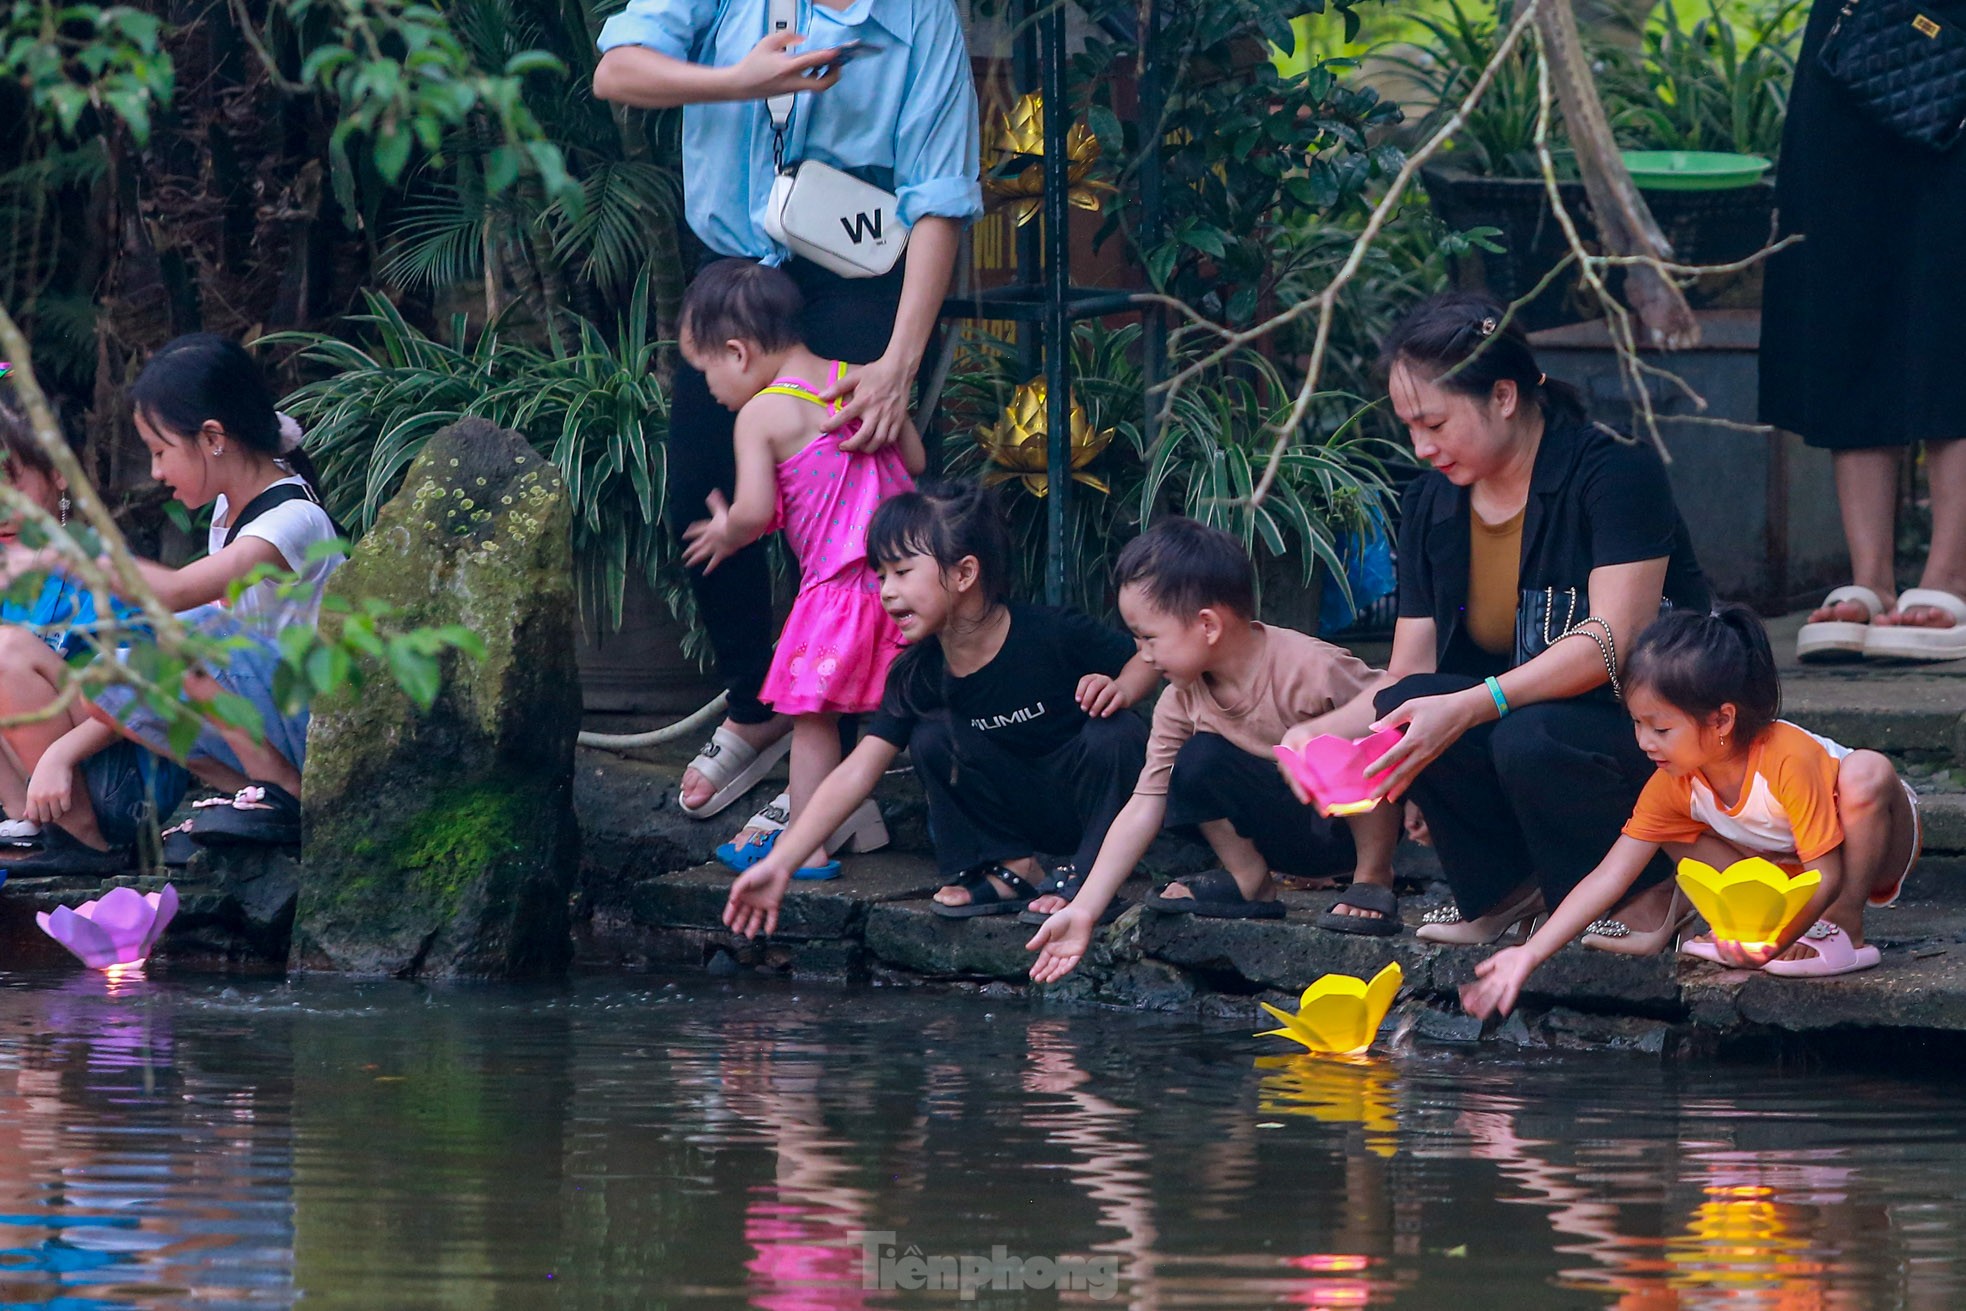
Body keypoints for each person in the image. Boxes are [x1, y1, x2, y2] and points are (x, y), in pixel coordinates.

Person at [593, 0, 982, 827]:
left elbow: (940, 195)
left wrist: (897, 367)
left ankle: (848, 749)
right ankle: (757, 702)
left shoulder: (921, 17)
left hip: (858, 272)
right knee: (701, 487)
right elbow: (616, 71)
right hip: (737, 267)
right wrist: (741, 80)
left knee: (873, 506)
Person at [1266, 292, 1714, 947]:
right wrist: (1316, 735)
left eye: (1436, 424)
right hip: (1525, 725)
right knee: (1417, 710)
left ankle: (1650, 890)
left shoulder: (1615, 468)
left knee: (1523, 733)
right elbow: (1411, 674)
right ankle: (1507, 889)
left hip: (1648, 725)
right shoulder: (1428, 503)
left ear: (1503, 396)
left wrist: (1477, 702)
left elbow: (1614, 641)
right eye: (1409, 427)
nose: (1420, 447)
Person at [722, 480, 1157, 935]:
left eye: (902, 572)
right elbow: (857, 771)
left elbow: (1144, 657)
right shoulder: (917, 673)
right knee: (931, 735)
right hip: (1016, 805)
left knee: (1118, 732)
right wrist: (784, 861)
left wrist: (1122, 688)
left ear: (965, 573)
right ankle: (1012, 868)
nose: (887, 591)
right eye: (881, 575)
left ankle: (1088, 880)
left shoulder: (1051, 633)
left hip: (1087, 805)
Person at [1461, 607, 1919, 1017]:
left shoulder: (1787, 758)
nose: (1643, 742)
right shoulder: (1672, 783)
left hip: (1868, 849)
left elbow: (1827, 874)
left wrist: (1775, 946)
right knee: (1671, 831)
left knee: (1867, 771)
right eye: (1636, 723)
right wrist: (1530, 954)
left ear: (1721, 720)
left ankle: (1843, 928)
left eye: (1660, 727)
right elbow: (1610, 875)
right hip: (1783, 864)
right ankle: (1739, 926)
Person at [0, 334, 346, 871]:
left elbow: (180, 595)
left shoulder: (291, 522)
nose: (157, 472)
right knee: (127, 664)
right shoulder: (230, 512)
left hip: (315, 725)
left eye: (160, 452)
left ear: (212, 438)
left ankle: (283, 791)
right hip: (266, 708)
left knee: (178, 632)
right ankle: (249, 791)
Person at [1025, 519, 1402, 982]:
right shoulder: (1180, 700)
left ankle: (1372, 877)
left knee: (1356, 744)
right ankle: (1250, 882)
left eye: (1149, 638)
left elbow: (1394, 702)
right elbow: (1145, 804)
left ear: (1207, 624)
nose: (1142, 655)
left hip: (1347, 826)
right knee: (1197, 760)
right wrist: (1084, 909)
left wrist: (1325, 733)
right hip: (1280, 832)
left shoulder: (1308, 666)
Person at [678, 259, 922, 877]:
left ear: (738, 353)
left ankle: (806, 844)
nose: (709, 390)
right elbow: (914, 457)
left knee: (814, 718)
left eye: (706, 372)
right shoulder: (862, 380)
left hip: (838, 591)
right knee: (910, 707)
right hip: (911, 579)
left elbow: (758, 511)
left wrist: (726, 530)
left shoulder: (761, 414)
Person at [1765, 0, 1966, 662]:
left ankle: (1950, 575)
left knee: (1952, 302)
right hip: (1854, 34)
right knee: (1843, 292)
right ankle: (1871, 575)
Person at [0, 395, 190, 866]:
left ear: (57, 472)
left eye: (9, 483)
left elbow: (148, 687)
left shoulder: (97, 567)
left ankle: (84, 842)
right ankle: (22, 826)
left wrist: (59, 755)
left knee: (6, 650)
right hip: (39, 789)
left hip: (122, 785)